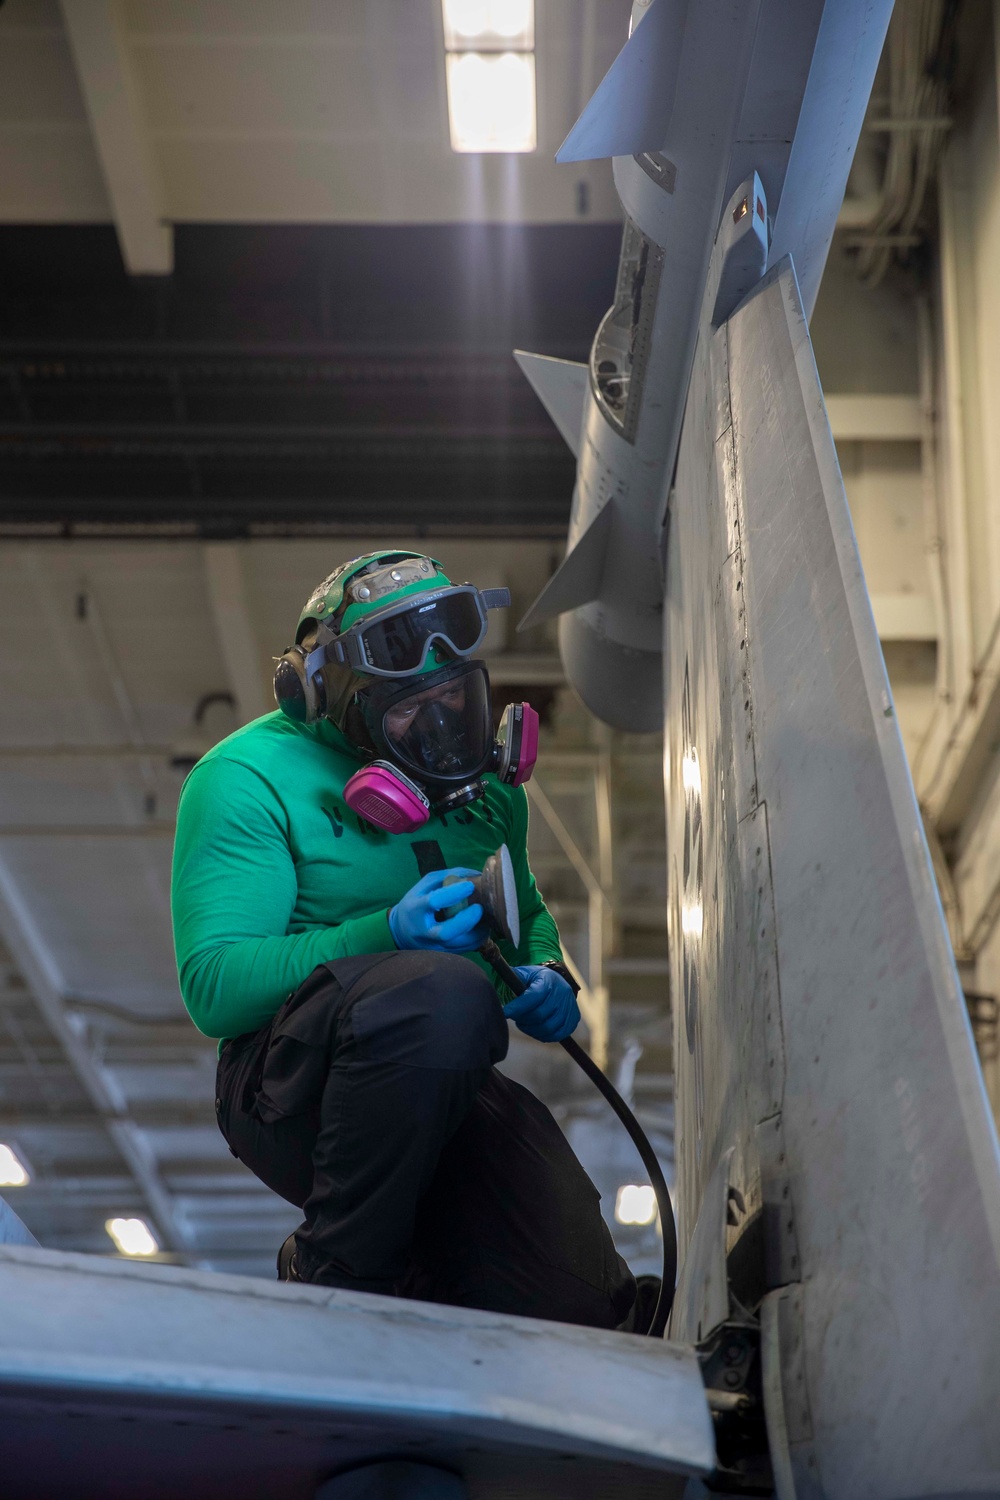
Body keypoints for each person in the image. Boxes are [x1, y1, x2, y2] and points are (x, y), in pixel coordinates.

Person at [171, 550, 636, 1328]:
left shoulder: (487, 791)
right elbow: (214, 990)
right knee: (439, 992)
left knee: (581, 1297)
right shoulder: (244, 778)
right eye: (410, 710)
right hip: (285, 1087)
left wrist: (547, 970)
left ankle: (433, 1287)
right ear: (332, 700)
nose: (446, 726)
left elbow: (521, 905)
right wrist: (381, 934)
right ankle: (338, 1274)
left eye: (456, 695)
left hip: (437, 1073)